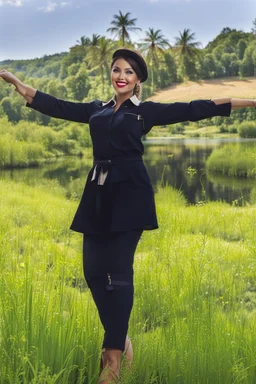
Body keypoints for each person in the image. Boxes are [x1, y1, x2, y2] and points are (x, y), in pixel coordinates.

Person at [1, 48, 256, 383]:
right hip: (96, 195)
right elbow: (59, 106)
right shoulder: (96, 109)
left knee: (119, 272)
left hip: (130, 197)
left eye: (129, 73)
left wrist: (249, 102)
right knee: (92, 271)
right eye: (116, 70)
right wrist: (20, 85)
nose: (121, 76)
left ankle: (113, 361)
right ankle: (120, 338)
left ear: (138, 81)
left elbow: (195, 109)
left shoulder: (144, 112)